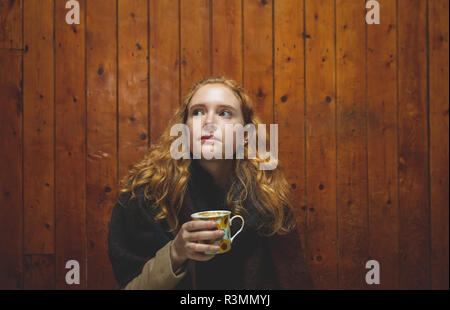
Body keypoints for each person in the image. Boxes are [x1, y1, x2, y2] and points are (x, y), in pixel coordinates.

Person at [107, 76, 314, 290]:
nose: (209, 122)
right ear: (184, 130)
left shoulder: (269, 198)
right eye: (197, 112)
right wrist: (175, 253)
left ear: (246, 135)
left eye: (225, 113)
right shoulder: (147, 195)